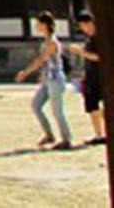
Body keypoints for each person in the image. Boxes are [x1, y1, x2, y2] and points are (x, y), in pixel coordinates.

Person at [15, 10, 73, 149]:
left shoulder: (52, 41)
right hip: (49, 79)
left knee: (57, 110)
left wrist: (25, 73)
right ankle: (49, 134)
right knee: (36, 105)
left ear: (45, 24)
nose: (37, 26)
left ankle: (66, 139)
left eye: (39, 23)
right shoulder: (47, 40)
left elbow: (42, 59)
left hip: (55, 79)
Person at [77, 12, 105, 145]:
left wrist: (81, 52)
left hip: (100, 77)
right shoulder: (89, 39)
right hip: (91, 76)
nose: (82, 28)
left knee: (99, 105)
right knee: (92, 105)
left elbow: (100, 57)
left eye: (82, 25)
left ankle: (101, 134)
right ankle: (99, 134)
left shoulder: (100, 38)